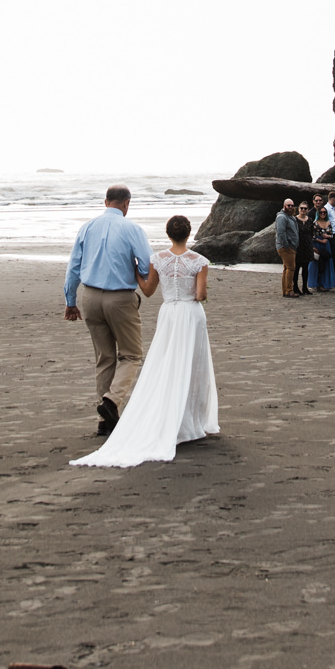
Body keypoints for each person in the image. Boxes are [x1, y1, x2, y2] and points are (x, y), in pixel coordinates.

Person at [70, 214, 219, 468]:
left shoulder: (157, 259)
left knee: (165, 362)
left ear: (169, 234)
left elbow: (148, 291)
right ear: (189, 233)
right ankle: (190, 420)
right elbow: (200, 295)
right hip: (190, 315)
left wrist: (136, 273)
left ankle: (115, 413)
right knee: (192, 364)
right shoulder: (200, 261)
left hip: (169, 313)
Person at [62, 184, 153, 436]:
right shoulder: (132, 229)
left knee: (104, 358)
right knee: (131, 355)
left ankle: (105, 421)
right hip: (120, 298)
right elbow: (146, 265)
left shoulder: (87, 227)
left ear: (106, 202)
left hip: (89, 297)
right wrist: (140, 276)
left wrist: (70, 301)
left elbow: (74, 267)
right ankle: (111, 402)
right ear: (126, 204)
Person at [275, 198, 300, 298]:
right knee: (290, 268)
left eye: (292, 205)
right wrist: (286, 244)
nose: (290, 207)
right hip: (286, 247)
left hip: (292, 246)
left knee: (287, 268)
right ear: (284, 206)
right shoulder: (281, 217)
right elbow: (281, 232)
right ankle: (289, 291)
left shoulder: (291, 217)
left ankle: (286, 291)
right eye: (288, 205)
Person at [294, 202, 314, 296]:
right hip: (298, 246)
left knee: (306, 268)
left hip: (307, 246)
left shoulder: (310, 220)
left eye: (305, 208)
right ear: (298, 209)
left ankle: (305, 287)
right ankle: (295, 287)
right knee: (296, 268)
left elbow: (311, 232)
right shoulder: (295, 219)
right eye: (301, 208)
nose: (303, 210)